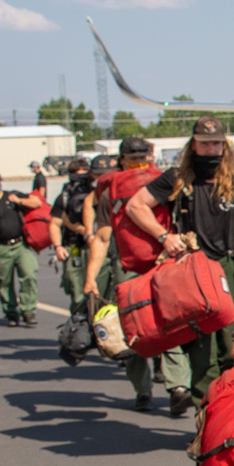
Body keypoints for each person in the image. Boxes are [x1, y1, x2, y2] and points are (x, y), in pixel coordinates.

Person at [126, 115, 234, 394]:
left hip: (225, 268)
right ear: (193, 145)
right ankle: (203, 421)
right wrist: (164, 237)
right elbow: (136, 206)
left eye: (216, 144)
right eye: (205, 143)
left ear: (225, 146)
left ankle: (230, 417)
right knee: (202, 354)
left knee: (232, 345)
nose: (211, 149)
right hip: (192, 270)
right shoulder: (178, 178)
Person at [81, 136, 172, 411]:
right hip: (136, 266)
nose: (138, 164)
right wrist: (91, 278)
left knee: (167, 323)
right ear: (121, 160)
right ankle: (148, 388)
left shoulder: (163, 182)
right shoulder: (113, 190)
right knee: (134, 329)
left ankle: (168, 384)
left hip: (156, 264)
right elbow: (102, 235)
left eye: (142, 158)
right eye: (134, 159)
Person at [0, 169, 44, 326]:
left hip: (20, 245)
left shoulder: (12, 195)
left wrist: (19, 201)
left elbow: (37, 202)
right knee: (4, 282)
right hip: (0, 247)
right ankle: (11, 312)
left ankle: (28, 310)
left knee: (29, 274)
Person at [49, 155, 97, 304]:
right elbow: (55, 224)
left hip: (96, 245)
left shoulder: (97, 194)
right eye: (77, 175)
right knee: (77, 290)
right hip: (74, 246)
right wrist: (58, 247)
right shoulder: (65, 196)